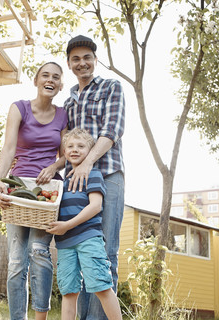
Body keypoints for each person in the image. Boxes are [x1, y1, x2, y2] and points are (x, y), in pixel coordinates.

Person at [0, 62, 68, 320]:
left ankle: (41, 318)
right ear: (36, 80)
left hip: (48, 191)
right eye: (45, 75)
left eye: (55, 77)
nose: (50, 80)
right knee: (16, 260)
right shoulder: (19, 108)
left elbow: (66, 154)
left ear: (60, 85)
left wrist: (54, 165)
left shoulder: (63, 115)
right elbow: (9, 148)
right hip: (19, 188)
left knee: (39, 251)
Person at [63, 35, 125, 320]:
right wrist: (56, 167)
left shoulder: (111, 87)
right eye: (75, 59)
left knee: (105, 251)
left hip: (108, 173)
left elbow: (112, 130)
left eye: (87, 57)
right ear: (70, 64)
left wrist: (88, 163)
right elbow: (68, 144)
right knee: (81, 252)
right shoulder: (69, 101)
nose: (82, 63)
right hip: (76, 183)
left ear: (95, 60)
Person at [47, 128, 122, 320]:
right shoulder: (61, 183)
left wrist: (67, 225)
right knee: (69, 292)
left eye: (81, 146)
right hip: (64, 244)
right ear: (64, 152)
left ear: (89, 152)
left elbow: (95, 206)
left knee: (102, 286)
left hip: (88, 239)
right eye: (70, 146)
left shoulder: (93, 174)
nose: (75, 149)